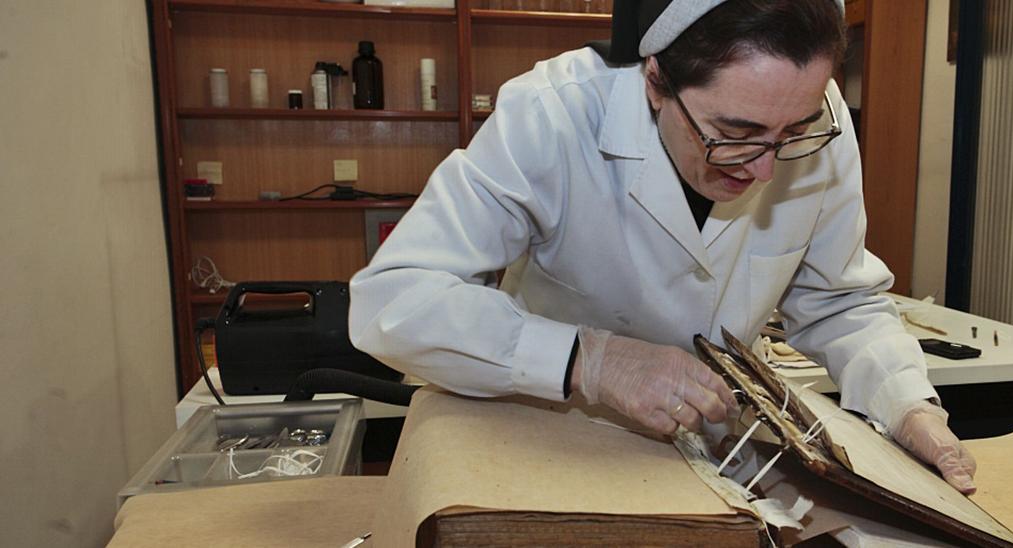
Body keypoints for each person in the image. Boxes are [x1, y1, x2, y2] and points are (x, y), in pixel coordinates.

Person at [348, 0, 977, 494]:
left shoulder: (808, 117)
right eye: (736, 133)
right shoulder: (552, 114)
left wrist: (906, 404)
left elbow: (840, 305)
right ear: (655, 79)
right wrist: (589, 361)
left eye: (793, 132)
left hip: (717, 452)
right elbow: (393, 300)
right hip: (550, 438)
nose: (765, 170)